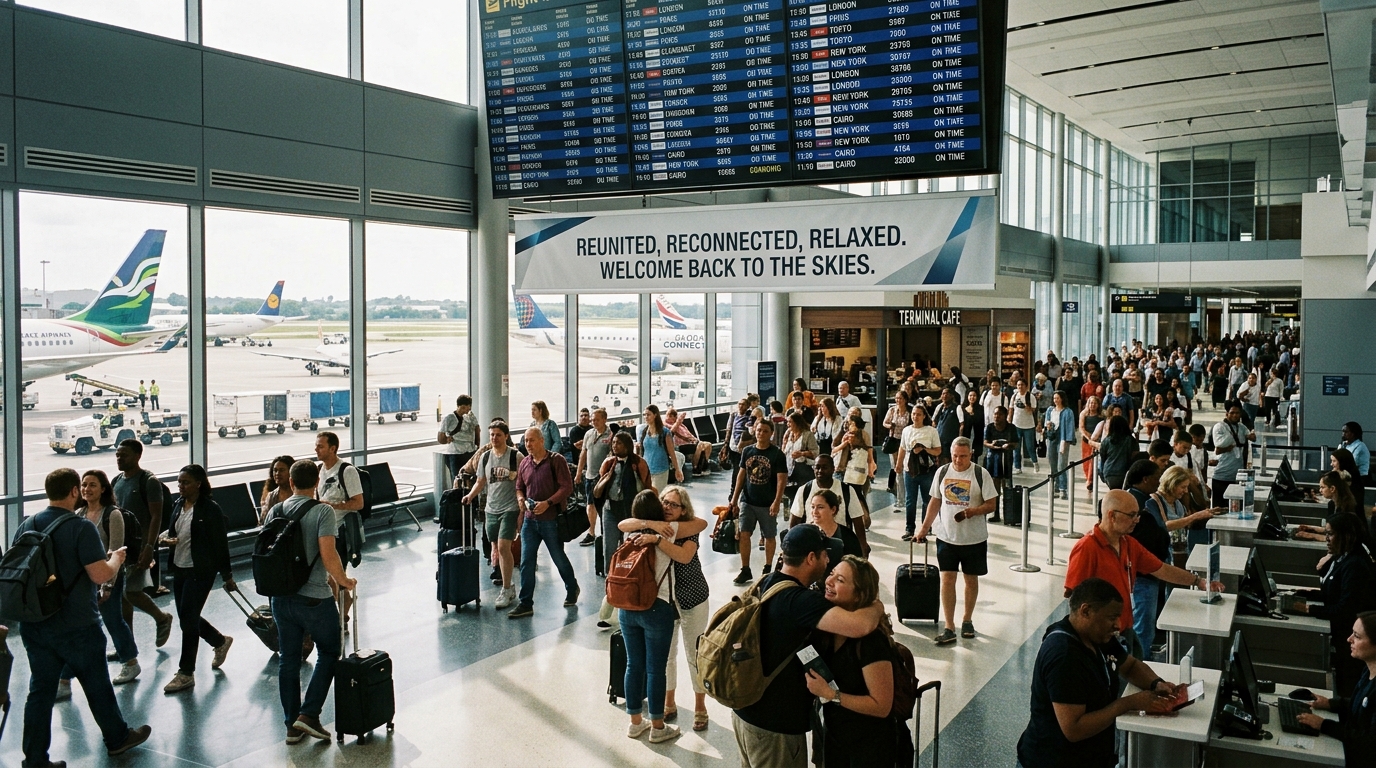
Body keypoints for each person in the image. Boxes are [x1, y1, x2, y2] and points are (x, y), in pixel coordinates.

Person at [16, 469, 152, 767]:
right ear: (74, 491)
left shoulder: (28, 524)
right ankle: (117, 739)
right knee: (97, 684)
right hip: (77, 624)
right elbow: (99, 573)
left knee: (40, 691)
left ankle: (35, 758)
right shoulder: (80, 528)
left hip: (36, 624)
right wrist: (116, 557)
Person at [731, 524, 885, 768]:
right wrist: (877, 605)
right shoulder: (800, 601)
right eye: (826, 556)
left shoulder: (769, 581)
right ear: (811, 558)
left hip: (746, 713)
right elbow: (860, 625)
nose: (828, 567)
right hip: (773, 728)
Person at [1016, 577, 1186, 768]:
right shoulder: (1064, 655)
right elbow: (1074, 728)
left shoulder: (1097, 636)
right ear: (1086, 611)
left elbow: (1130, 666)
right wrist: (1129, 703)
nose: (1117, 625)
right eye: (1112, 617)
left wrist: (1157, 683)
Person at [1064, 490, 1226, 658]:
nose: (1137, 520)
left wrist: (1199, 581)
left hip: (1124, 629)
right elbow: (1074, 600)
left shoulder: (1128, 543)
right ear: (1112, 515)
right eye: (1132, 515)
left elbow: (1161, 569)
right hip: (1100, 637)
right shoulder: (1086, 548)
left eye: (1138, 515)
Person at [265, 459, 356, 744]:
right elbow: (328, 553)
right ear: (317, 482)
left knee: (288, 659)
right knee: (329, 650)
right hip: (314, 597)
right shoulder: (323, 511)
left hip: (281, 598)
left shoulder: (275, 510)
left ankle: (292, 725)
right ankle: (309, 714)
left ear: (290, 483)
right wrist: (344, 580)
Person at [619, 486, 711, 730]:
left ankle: (700, 706)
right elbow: (624, 524)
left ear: (683, 509)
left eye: (674, 504)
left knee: (694, 654)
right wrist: (652, 526)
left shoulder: (683, 529)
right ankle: (669, 702)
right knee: (667, 656)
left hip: (692, 597)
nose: (668, 507)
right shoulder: (653, 524)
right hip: (662, 603)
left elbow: (685, 557)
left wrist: (657, 538)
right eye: (665, 502)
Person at [804, 556, 897, 768]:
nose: (829, 581)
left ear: (858, 595)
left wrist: (830, 694)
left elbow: (881, 705)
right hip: (836, 736)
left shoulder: (871, 642)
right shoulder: (829, 629)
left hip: (870, 745)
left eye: (841, 580)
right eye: (831, 574)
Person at [55, 470, 140, 700]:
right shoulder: (80, 513)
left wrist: (108, 585)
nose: (86, 489)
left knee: (112, 619)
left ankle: (130, 661)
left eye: (92, 485)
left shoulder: (112, 515)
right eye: (84, 485)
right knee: (84, 627)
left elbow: (115, 551)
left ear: (103, 488)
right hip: (87, 579)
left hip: (108, 576)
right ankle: (64, 679)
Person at [916, 437, 998, 645]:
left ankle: (967, 619)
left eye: (963, 456)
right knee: (947, 580)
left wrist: (972, 512)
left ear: (971, 454)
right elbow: (935, 501)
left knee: (971, 580)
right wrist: (924, 528)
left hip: (974, 539)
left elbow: (991, 504)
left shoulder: (981, 474)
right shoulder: (942, 472)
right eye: (955, 456)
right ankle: (949, 626)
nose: (958, 460)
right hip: (947, 537)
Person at [159, 464, 233, 695]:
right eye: (179, 482)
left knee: (188, 621)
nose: (180, 486)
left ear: (198, 484)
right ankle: (219, 641)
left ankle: (185, 672)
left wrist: (227, 575)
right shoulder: (178, 505)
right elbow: (172, 532)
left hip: (201, 571)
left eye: (185, 482)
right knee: (186, 616)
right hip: (180, 568)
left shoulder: (210, 509)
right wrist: (165, 539)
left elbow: (220, 544)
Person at [617, 491, 683, 744]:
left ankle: (635, 723)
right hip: (657, 607)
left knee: (634, 664)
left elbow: (623, 523)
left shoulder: (629, 533)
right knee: (656, 669)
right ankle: (657, 726)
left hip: (627, 606)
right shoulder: (667, 531)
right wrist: (657, 525)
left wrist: (645, 523)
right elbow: (699, 523)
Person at [1289, 514, 1376, 697]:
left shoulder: (1356, 564)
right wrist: (1305, 593)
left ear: (1347, 536)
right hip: (1344, 634)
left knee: (1348, 688)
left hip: (1350, 640)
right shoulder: (1342, 556)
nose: (1326, 539)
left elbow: (1344, 609)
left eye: (1331, 534)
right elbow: (1332, 593)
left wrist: (1309, 609)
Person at [507, 427, 578, 619]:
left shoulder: (556, 461)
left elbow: (567, 487)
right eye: (526, 441)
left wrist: (548, 503)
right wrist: (521, 499)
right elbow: (519, 487)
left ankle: (572, 587)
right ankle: (525, 603)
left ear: (542, 441)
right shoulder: (525, 464)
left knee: (558, 557)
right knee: (526, 562)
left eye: (532, 440)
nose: (528, 444)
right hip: (530, 521)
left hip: (551, 520)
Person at [111, 440, 174, 649]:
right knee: (122, 598)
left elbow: (156, 516)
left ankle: (161, 617)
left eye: (124, 455)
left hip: (140, 546)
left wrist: (149, 547)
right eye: (118, 455)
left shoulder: (148, 481)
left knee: (131, 592)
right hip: (122, 546)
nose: (119, 458)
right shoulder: (116, 481)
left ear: (138, 456)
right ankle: (127, 645)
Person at [1296, 612, 1376, 764]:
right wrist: (1330, 703)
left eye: (1357, 636)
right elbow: (1361, 708)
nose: (1349, 639)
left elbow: (1369, 743)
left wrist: (1323, 724)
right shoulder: (1369, 669)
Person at [596, 431, 652, 629]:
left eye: (619, 443)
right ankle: (610, 589)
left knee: (630, 552)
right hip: (611, 510)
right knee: (609, 550)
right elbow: (600, 486)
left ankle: (629, 587)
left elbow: (647, 487)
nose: (615, 446)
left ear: (627, 445)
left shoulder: (639, 463)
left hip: (631, 512)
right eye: (613, 443)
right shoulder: (608, 463)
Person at [465, 422, 521, 609]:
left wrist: (522, 507)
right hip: (491, 509)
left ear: (506, 436)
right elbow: (481, 481)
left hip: (510, 508)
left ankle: (507, 588)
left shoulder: (516, 456)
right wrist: (470, 495)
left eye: (498, 434)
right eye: (491, 435)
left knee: (504, 546)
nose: (494, 438)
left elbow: (524, 483)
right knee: (495, 546)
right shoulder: (485, 457)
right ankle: (508, 584)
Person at [729, 419, 789, 585]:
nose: (761, 434)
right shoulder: (747, 451)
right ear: (754, 431)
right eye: (759, 430)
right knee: (744, 534)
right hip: (747, 501)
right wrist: (734, 499)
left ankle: (768, 567)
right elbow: (741, 476)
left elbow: (781, 480)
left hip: (767, 502)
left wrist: (777, 501)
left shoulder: (777, 454)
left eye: (765, 431)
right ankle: (745, 569)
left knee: (769, 535)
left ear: (771, 434)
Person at [315, 431, 364, 626]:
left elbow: (359, 503)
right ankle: (343, 606)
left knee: (336, 573)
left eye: (320, 446)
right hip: (324, 530)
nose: (316, 449)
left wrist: (334, 506)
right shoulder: (321, 470)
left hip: (340, 530)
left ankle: (341, 615)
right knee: (328, 576)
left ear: (333, 448)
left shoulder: (347, 471)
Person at [899, 404, 941, 541]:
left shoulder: (931, 431)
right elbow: (903, 448)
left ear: (924, 416)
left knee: (926, 500)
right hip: (909, 470)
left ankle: (925, 527)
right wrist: (899, 464)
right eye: (913, 414)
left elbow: (938, 450)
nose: (915, 417)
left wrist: (924, 449)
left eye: (918, 414)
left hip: (926, 471)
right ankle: (909, 528)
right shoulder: (906, 430)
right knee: (910, 501)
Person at [575, 408, 614, 547]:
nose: (594, 422)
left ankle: (606, 532)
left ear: (604, 419)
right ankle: (591, 532)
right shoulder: (588, 434)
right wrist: (579, 472)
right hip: (590, 475)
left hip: (603, 477)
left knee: (604, 505)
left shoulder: (610, 435)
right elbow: (584, 454)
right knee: (590, 504)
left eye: (597, 419)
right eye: (593, 420)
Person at [807, 489, 863, 576]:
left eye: (820, 507)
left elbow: (857, 570)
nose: (815, 512)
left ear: (833, 509)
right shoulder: (804, 533)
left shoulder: (847, 536)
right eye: (813, 507)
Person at [833, 415, 875, 529]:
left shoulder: (856, 435)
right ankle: (861, 518)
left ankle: (864, 518)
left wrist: (871, 464)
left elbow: (869, 450)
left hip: (854, 470)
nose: (848, 425)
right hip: (854, 470)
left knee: (854, 494)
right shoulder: (856, 434)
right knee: (855, 494)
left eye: (850, 423)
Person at [1296, 471, 1362, 542]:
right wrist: (1311, 528)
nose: (1320, 490)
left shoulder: (1345, 507)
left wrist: (1311, 535)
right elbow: (1331, 530)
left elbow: (1337, 538)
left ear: (1332, 489)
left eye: (1322, 487)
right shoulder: (1332, 504)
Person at [1210, 401, 1253, 507]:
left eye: (1237, 413)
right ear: (1227, 413)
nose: (1235, 415)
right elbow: (1218, 446)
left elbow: (1252, 437)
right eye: (1232, 413)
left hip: (1236, 477)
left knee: (1235, 509)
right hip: (1221, 477)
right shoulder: (1220, 427)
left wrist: (1251, 435)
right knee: (1219, 510)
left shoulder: (1242, 427)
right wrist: (1229, 444)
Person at [638, 405, 682, 491]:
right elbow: (642, 451)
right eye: (644, 415)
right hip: (646, 471)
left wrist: (677, 469)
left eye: (648, 414)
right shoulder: (644, 432)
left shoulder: (665, 432)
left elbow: (671, 452)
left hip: (660, 470)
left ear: (655, 415)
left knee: (657, 496)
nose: (646, 417)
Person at [437, 394, 479, 483]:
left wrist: (476, 446)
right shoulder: (449, 418)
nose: (465, 411)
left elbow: (477, 429)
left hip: (470, 451)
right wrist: (446, 439)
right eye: (463, 408)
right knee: (457, 479)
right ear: (458, 406)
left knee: (471, 478)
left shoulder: (470, 416)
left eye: (467, 408)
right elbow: (440, 437)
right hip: (455, 453)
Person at [1089, 415, 1135, 490]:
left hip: (1109, 473)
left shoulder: (1106, 440)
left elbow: (1103, 457)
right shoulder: (1130, 440)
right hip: (1125, 473)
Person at [1044, 391, 1076, 499]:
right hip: (1052, 437)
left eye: (1057, 398)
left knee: (1061, 464)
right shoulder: (1050, 410)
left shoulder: (1068, 412)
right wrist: (1047, 426)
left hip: (1062, 438)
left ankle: (1063, 488)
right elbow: (1046, 423)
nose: (1055, 400)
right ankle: (1055, 486)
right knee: (1052, 463)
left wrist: (1068, 440)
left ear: (1062, 399)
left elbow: (1070, 427)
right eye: (1054, 398)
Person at [883, 391, 912, 508]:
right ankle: (900, 497)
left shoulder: (909, 411)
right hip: (894, 441)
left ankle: (905, 495)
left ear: (905, 400)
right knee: (897, 468)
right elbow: (884, 422)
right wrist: (890, 426)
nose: (898, 401)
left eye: (900, 398)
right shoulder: (892, 410)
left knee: (906, 467)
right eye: (896, 398)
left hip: (906, 441)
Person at [780, 411, 819, 496]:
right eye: (787, 422)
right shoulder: (789, 434)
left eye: (790, 422)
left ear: (797, 422)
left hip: (803, 469)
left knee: (803, 494)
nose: (788, 424)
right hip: (789, 469)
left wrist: (802, 453)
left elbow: (815, 452)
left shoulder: (807, 435)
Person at [665, 408, 712, 475]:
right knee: (700, 445)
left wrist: (695, 440)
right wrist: (678, 421)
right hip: (680, 445)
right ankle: (695, 468)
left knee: (708, 444)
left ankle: (703, 466)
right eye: (668, 415)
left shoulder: (681, 425)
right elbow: (672, 431)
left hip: (689, 443)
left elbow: (689, 434)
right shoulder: (666, 425)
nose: (668, 418)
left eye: (671, 416)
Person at [1010, 379, 1039, 473]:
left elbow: (1033, 410)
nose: (1020, 387)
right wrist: (1009, 420)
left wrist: (1026, 406)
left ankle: (1035, 462)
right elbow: (1011, 409)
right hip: (1016, 424)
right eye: (1018, 385)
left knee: (1030, 446)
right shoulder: (1014, 396)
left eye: (1022, 385)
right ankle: (1017, 467)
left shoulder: (1030, 397)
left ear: (1026, 386)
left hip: (1028, 425)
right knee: (1016, 447)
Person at [258, 455, 295, 525]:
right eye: (275, 470)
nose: (277, 474)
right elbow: (264, 522)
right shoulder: (271, 496)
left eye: (282, 470)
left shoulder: (299, 492)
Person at [931, 386, 965, 461]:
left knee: (947, 461)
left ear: (952, 396)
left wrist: (959, 440)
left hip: (950, 442)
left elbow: (962, 424)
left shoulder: (957, 407)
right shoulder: (939, 407)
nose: (945, 396)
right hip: (938, 442)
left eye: (947, 394)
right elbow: (933, 421)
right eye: (943, 394)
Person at [1078, 396, 1104, 492]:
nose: (1092, 405)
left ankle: (1090, 480)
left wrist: (1096, 438)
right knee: (1086, 460)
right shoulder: (1084, 414)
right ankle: (1088, 478)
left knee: (1094, 461)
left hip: (1097, 441)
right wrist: (1089, 438)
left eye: (1095, 403)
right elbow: (1081, 428)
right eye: (1091, 403)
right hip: (1086, 440)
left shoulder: (1101, 415)